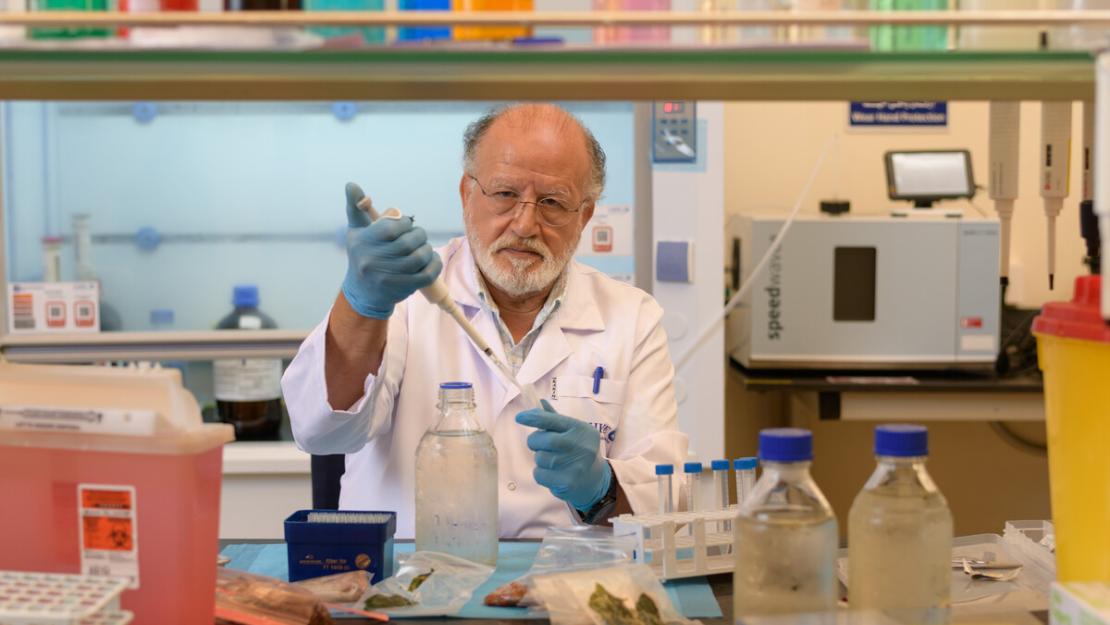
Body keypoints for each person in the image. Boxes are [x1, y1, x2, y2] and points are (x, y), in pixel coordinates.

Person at [282, 103, 687, 538]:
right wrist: (362, 304)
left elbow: (666, 500)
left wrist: (602, 488)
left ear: (584, 215)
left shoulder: (632, 317)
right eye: (505, 194)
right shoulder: (403, 293)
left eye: (552, 202)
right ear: (466, 194)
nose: (525, 223)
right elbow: (319, 432)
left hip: (565, 584)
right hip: (405, 580)